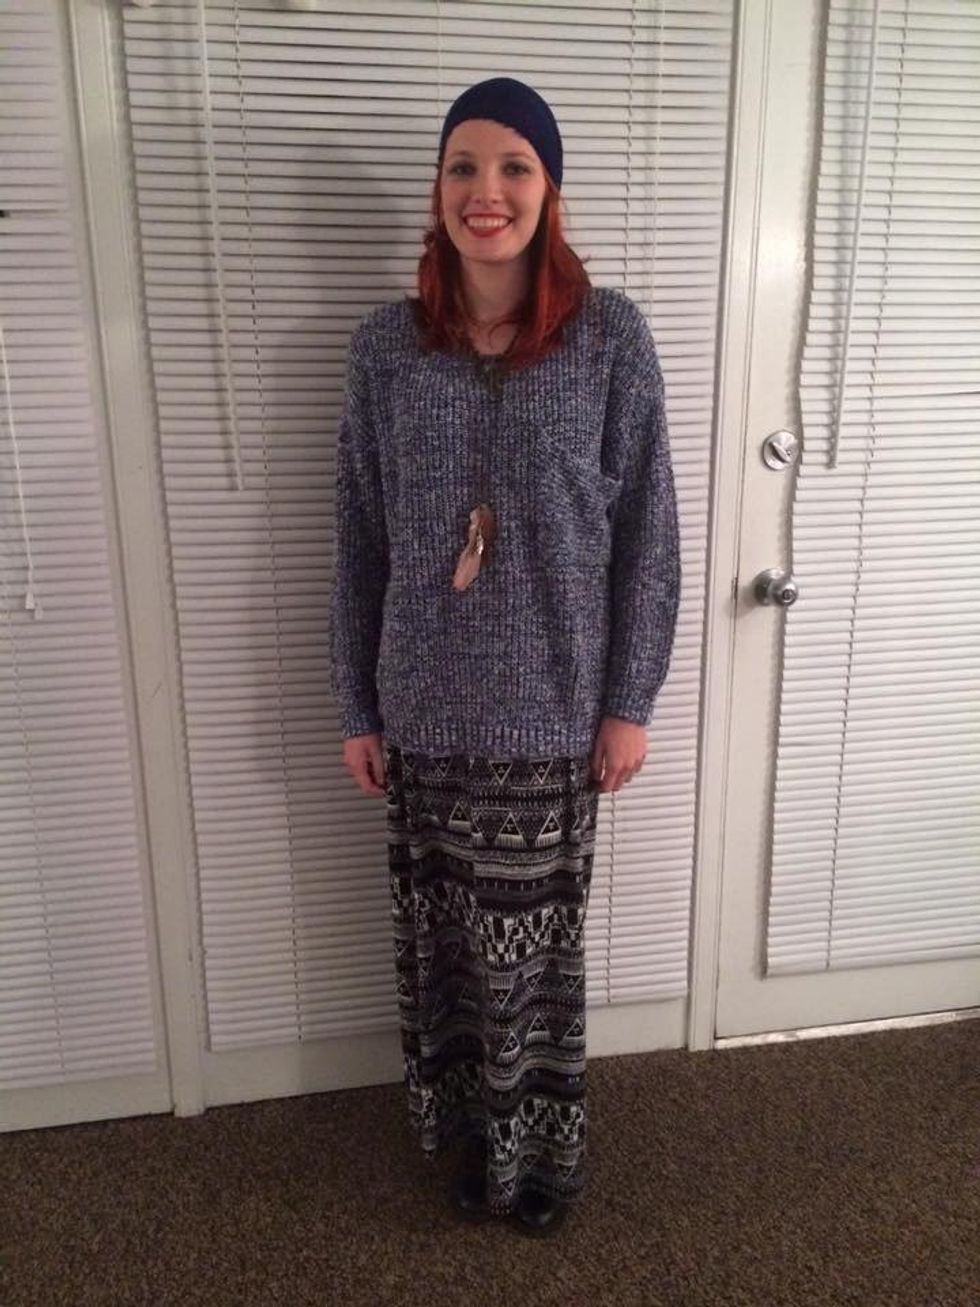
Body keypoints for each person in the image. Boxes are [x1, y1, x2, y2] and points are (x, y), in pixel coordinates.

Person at [330, 77, 681, 1238]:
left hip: (549, 714)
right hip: (423, 713)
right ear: (438, 189)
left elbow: (647, 537)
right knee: (446, 962)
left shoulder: (608, 337)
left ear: (548, 188)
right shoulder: (385, 348)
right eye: (463, 167)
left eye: (513, 166)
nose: (486, 191)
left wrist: (627, 698)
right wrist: (355, 702)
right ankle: (472, 1152)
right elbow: (359, 537)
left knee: (530, 969)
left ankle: (540, 1168)